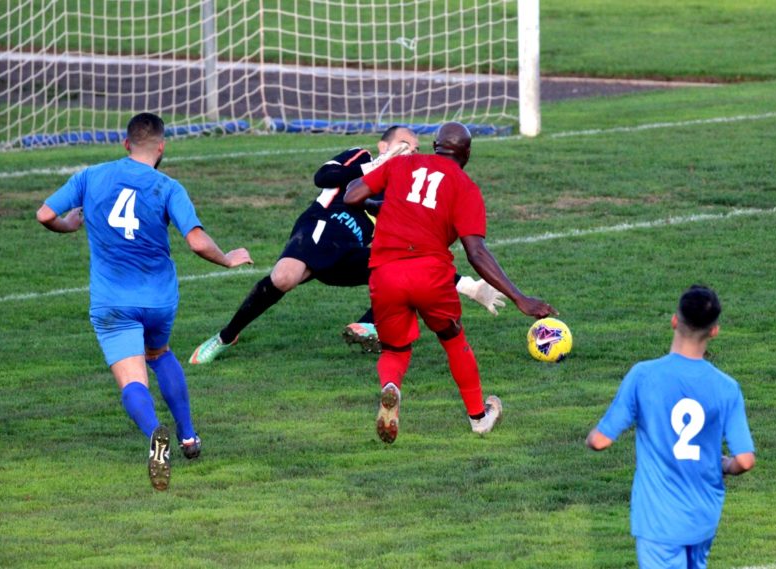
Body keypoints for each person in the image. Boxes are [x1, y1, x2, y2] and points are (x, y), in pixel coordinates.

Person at [36, 112, 252, 491]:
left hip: (112, 303)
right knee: (159, 353)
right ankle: (188, 437)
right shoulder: (168, 187)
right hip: (158, 300)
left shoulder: (91, 176)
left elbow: (45, 214)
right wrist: (229, 257)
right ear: (162, 146)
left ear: (125, 144)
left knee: (132, 380)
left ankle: (156, 434)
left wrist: (68, 224)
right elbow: (197, 242)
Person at [189, 126, 505, 364]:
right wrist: (376, 163)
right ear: (384, 144)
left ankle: (368, 326)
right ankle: (226, 336)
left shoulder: (403, 181)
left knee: (406, 270)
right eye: (403, 144)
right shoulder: (363, 157)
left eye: (416, 148)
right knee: (284, 277)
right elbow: (324, 176)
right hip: (322, 227)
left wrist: (470, 286)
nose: (409, 151)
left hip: (351, 250)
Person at [343, 122, 557, 443]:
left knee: (395, 349)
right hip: (430, 276)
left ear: (434, 145)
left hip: (385, 271)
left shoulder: (402, 163)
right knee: (453, 339)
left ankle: (391, 389)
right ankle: (478, 417)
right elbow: (476, 253)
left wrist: (380, 192)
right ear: (467, 154)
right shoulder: (465, 186)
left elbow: (351, 196)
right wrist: (518, 297)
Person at [586, 285, 756, 569]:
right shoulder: (727, 387)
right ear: (714, 331)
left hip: (658, 518)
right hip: (703, 515)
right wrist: (725, 465)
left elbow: (600, 440)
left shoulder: (644, 375)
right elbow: (745, 460)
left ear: (674, 321)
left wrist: (591, 436)